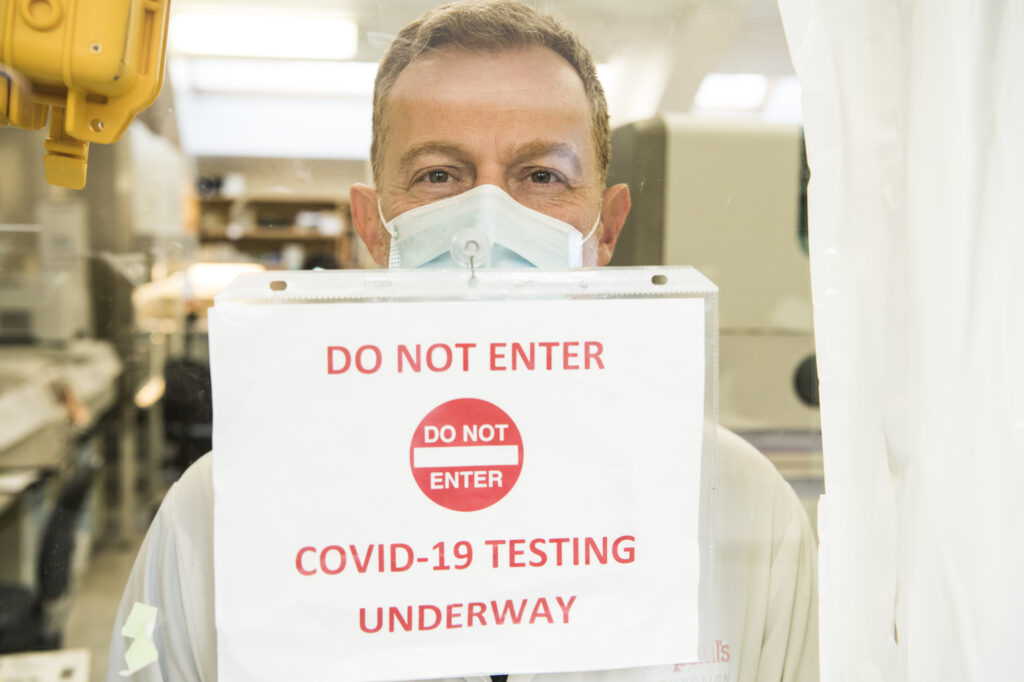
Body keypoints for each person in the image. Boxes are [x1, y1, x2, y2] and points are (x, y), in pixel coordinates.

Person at [108, 2, 818, 681]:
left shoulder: (739, 509)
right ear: (372, 227)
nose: (485, 221)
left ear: (605, 229)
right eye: (438, 175)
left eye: (541, 176)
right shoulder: (221, 515)